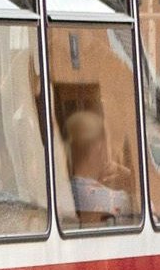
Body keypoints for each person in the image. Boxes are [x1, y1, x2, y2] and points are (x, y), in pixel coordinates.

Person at [56, 93, 137, 227]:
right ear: (99, 147)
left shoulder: (63, 191)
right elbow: (146, 205)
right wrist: (129, 178)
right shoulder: (116, 200)